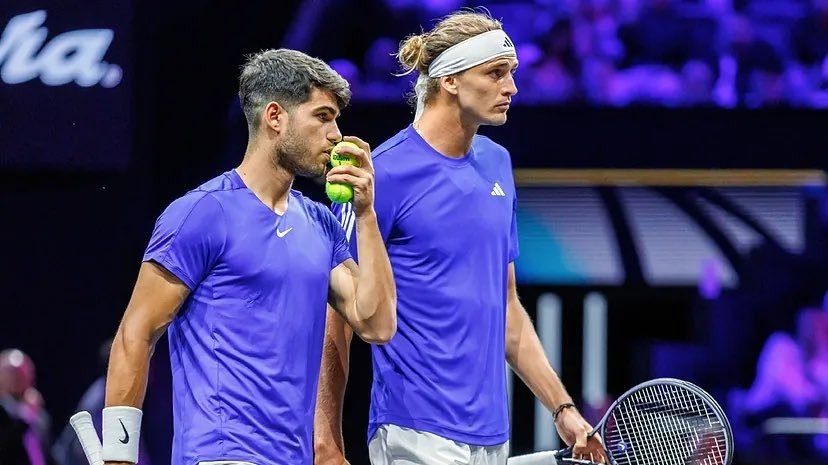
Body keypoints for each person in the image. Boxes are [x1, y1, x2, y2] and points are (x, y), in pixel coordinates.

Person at [314, 10, 607, 465]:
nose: (511, 88)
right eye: (495, 73)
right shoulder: (381, 175)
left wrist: (562, 408)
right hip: (413, 430)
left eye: (511, 73)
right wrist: (327, 440)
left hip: (493, 437)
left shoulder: (497, 164)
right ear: (449, 80)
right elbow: (337, 323)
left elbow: (506, 307)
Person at [102, 48, 396, 465]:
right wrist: (117, 457)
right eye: (323, 116)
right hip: (221, 456)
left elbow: (377, 323)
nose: (336, 135)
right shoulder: (202, 213)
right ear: (275, 117)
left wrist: (365, 214)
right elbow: (136, 334)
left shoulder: (321, 224)